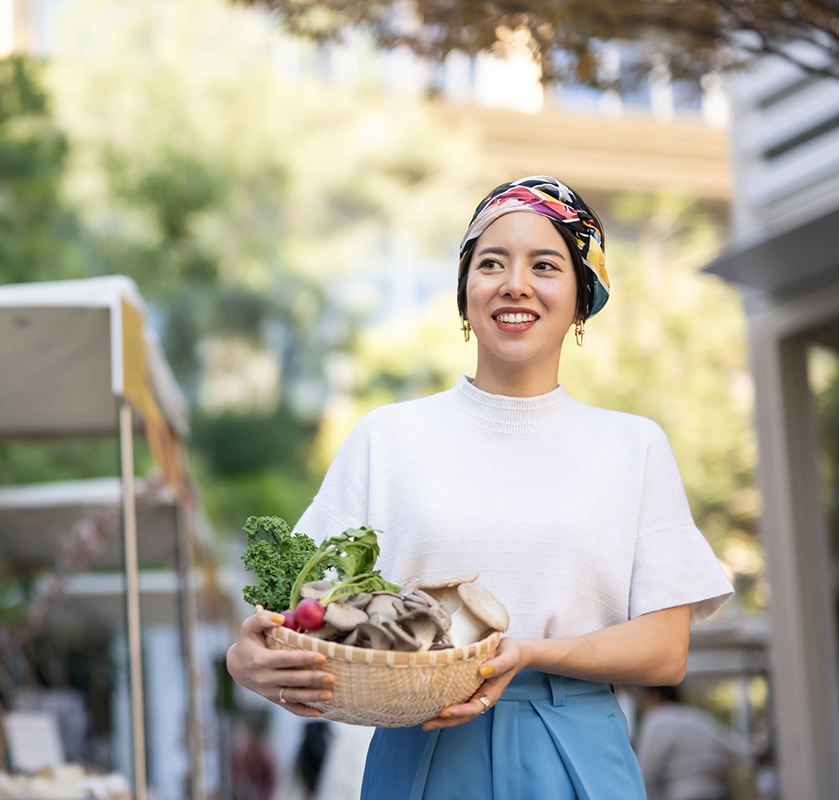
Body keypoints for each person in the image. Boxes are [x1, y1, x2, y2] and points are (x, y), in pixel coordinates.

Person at [225, 176, 735, 800]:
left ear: (583, 298)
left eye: (545, 265)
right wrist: (245, 660)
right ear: (466, 293)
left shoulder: (633, 446)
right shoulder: (387, 437)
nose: (515, 283)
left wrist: (522, 652)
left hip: (575, 749)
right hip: (421, 746)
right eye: (491, 262)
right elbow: (300, 604)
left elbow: (664, 650)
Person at [634, 685, 752, 800]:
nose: (640, 704)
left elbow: (645, 773)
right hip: (716, 793)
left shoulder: (657, 719)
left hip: (682, 794)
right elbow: (738, 750)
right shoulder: (698, 716)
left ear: (655, 695)